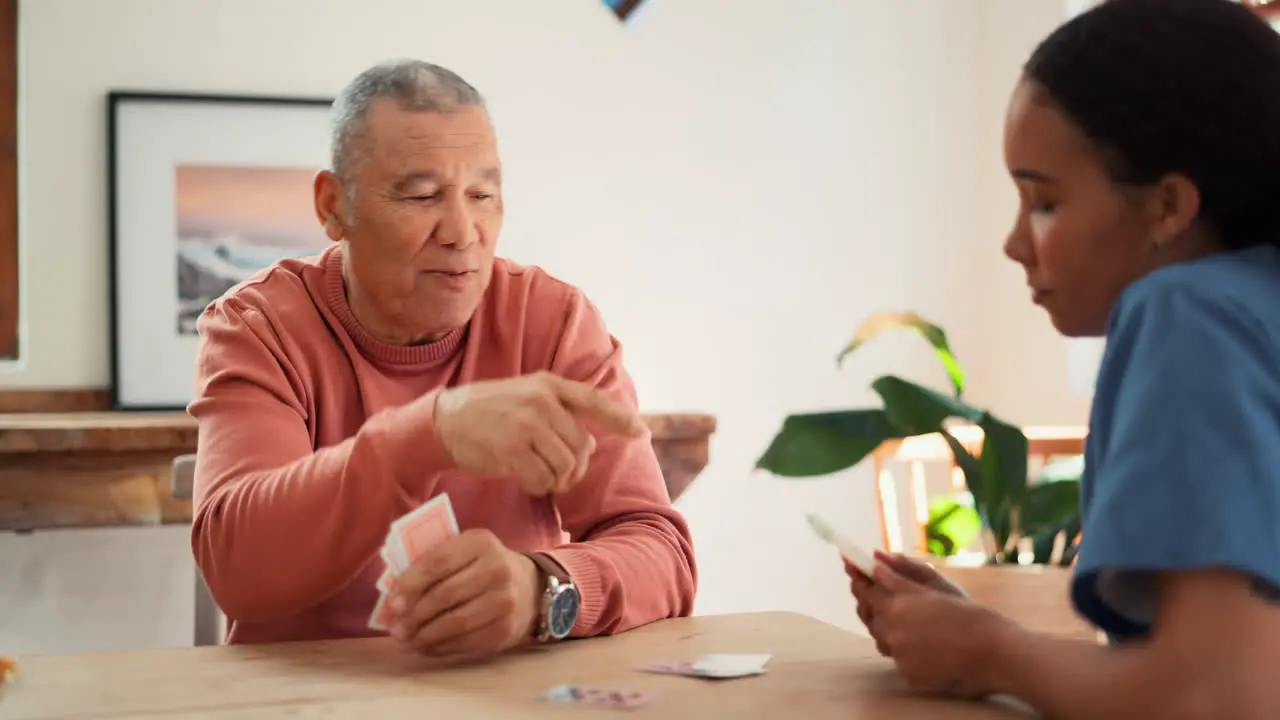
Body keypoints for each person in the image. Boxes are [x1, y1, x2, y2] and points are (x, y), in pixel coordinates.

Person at [847, 0, 1280, 716]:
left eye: (1043, 203)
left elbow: (1216, 697)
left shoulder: (1189, 312)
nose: (1016, 243)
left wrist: (994, 654)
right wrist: (981, 638)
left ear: (1167, 206)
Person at [187, 59, 697, 656]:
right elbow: (239, 572)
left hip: (501, 694)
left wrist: (542, 588)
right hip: (309, 697)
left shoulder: (552, 322)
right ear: (333, 207)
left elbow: (660, 551)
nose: (462, 230)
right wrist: (426, 435)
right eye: (421, 195)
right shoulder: (260, 326)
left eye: (482, 195)